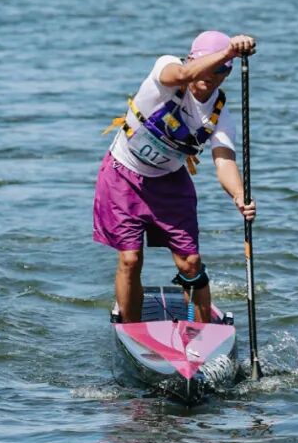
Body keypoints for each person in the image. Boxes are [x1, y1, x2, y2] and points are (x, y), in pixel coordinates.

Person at [94, 30, 257, 326]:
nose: (211, 74)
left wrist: (239, 196)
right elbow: (182, 75)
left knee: (191, 264)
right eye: (207, 64)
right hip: (123, 175)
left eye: (221, 70)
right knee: (130, 259)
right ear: (192, 59)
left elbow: (224, 161)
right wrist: (227, 53)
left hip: (170, 183)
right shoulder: (167, 67)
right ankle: (132, 331)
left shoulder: (219, 114)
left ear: (228, 74)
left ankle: (204, 335)